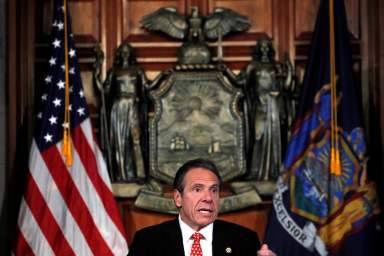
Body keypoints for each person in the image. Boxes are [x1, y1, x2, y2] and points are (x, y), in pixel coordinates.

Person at [128, 159, 276, 256]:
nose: (208, 198)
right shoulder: (148, 241)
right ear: (178, 198)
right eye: (197, 189)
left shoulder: (244, 240)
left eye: (214, 190)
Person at [242, 37, 293, 181]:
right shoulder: (252, 66)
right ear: (258, 49)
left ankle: (274, 171)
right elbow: (242, 84)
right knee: (258, 135)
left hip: (274, 106)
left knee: (275, 137)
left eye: (267, 47)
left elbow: (286, 87)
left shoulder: (276, 66)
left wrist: (289, 69)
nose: (264, 49)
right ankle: (256, 171)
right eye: (262, 47)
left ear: (270, 49)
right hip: (259, 106)